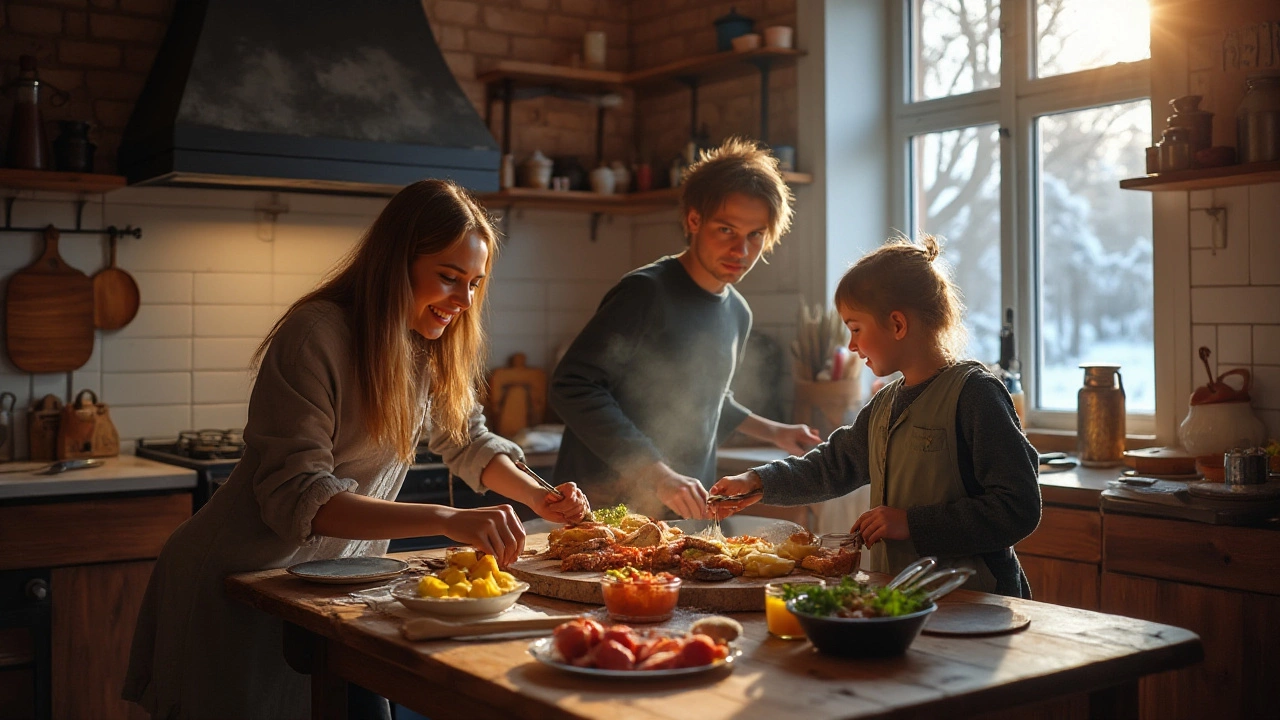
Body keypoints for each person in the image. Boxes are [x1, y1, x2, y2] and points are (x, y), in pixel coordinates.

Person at [123, 179, 590, 720]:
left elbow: (467, 437)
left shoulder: (428, 342)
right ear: (398, 262)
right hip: (240, 583)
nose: (463, 302)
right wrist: (448, 517)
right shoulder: (316, 334)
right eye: (448, 277)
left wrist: (540, 496)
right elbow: (301, 496)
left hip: (336, 588)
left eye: (475, 284)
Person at [709, 234, 1041, 597]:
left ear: (897, 324)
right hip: (904, 601)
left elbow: (1018, 507)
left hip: (978, 605)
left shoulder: (975, 394)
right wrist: (757, 481)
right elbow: (830, 466)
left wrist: (911, 524)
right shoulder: (884, 404)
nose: (851, 346)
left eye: (855, 329)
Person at [550, 137, 823, 521]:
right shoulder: (645, 292)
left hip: (679, 515)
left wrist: (775, 432)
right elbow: (572, 386)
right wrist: (657, 473)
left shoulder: (737, 313)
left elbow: (706, 399)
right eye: (726, 230)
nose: (741, 251)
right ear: (694, 221)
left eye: (755, 235)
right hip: (602, 511)